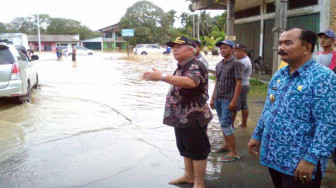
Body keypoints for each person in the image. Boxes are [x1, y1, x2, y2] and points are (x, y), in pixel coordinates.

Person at [248, 27, 336, 187]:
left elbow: (328, 123)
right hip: (274, 156)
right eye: (280, 43)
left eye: (288, 43)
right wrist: (257, 134)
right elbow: (269, 108)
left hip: (300, 162)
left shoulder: (323, 77)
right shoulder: (280, 75)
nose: (281, 48)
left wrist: (311, 159)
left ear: (307, 47)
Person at [143, 36, 212, 188]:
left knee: (198, 149)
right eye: (173, 46)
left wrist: (162, 76)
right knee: (185, 147)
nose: (174, 49)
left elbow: (191, 82)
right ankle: (188, 176)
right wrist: (160, 78)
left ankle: (199, 183)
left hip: (194, 117)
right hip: (181, 117)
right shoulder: (182, 65)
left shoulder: (196, 64)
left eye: (179, 46)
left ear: (191, 49)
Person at [210, 40, 244, 161]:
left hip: (228, 100)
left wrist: (234, 101)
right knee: (223, 123)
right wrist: (213, 98)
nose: (222, 50)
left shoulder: (236, 64)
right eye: (221, 48)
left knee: (226, 123)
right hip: (219, 98)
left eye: (225, 48)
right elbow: (217, 82)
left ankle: (234, 153)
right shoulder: (219, 64)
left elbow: (239, 83)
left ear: (232, 50)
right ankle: (226, 145)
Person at [232, 43, 252, 128]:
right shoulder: (245, 60)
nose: (236, 53)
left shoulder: (242, 63)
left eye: (239, 51)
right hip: (245, 84)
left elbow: (234, 75)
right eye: (235, 51)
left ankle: (230, 125)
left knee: (234, 106)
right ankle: (244, 124)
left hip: (241, 86)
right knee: (244, 104)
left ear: (244, 52)